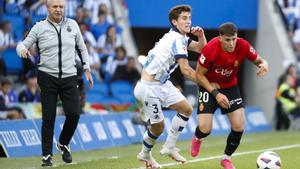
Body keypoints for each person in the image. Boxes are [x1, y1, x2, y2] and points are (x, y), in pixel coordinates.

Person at [16, 0, 94, 167]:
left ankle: (64, 143)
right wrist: (22, 50)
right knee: (49, 117)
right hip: (47, 77)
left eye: (61, 6)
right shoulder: (39, 27)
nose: (58, 9)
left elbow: (82, 48)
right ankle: (47, 156)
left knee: (74, 114)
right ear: (47, 8)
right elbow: (22, 44)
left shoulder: (72, 25)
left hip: (69, 77)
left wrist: (87, 68)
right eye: (55, 6)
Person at [134, 5, 207, 168]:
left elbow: (202, 49)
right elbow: (186, 70)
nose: (188, 21)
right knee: (158, 128)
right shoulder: (176, 39)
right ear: (175, 22)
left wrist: (201, 35)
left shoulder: (178, 37)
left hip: (162, 83)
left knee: (187, 109)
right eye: (184, 18)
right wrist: (208, 85)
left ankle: (169, 147)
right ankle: (145, 155)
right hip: (148, 88)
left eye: (189, 18)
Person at [190, 22, 269, 169]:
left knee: (239, 126)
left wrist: (264, 64)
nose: (231, 43)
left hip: (230, 86)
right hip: (208, 86)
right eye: (227, 40)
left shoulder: (242, 45)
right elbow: (199, 75)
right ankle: (198, 137)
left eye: (234, 38)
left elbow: (258, 59)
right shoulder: (210, 49)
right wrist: (216, 94)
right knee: (205, 128)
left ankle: (226, 158)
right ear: (220, 38)